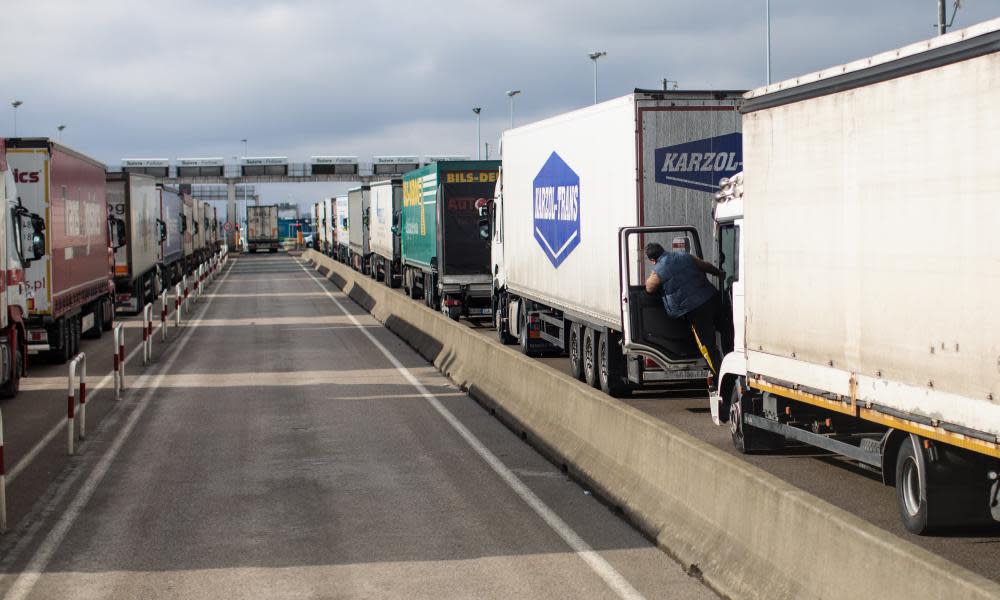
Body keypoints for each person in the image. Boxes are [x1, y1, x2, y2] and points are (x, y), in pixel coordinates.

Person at [644, 242, 725, 374]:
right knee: (728, 332)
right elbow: (706, 266)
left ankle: (720, 376)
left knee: (707, 346)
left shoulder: (658, 271)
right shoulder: (684, 256)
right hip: (712, 299)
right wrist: (720, 273)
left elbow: (649, 288)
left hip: (695, 310)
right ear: (663, 249)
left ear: (652, 260)